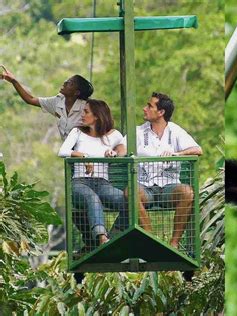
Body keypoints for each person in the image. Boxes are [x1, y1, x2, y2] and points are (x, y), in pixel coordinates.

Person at [123, 92, 202, 248]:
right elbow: (120, 148)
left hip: (168, 188)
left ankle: (174, 244)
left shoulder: (175, 131)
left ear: (161, 112)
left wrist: (177, 154)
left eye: (149, 106)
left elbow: (198, 150)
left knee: (187, 192)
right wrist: (113, 151)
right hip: (145, 188)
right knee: (130, 191)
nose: (144, 108)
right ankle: (151, 239)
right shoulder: (138, 132)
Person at [58, 99, 126, 247]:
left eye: (86, 112)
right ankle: (102, 238)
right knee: (92, 198)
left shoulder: (113, 135)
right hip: (80, 182)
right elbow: (62, 151)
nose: (82, 115)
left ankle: (113, 237)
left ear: (97, 116)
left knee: (129, 202)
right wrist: (83, 156)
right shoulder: (77, 132)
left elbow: (123, 148)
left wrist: (114, 153)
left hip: (103, 183)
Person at [1, 65, 93, 140]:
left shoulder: (87, 107)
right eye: (67, 80)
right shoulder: (58, 102)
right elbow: (30, 99)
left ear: (76, 92)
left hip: (85, 153)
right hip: (68, 154)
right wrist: (14, 81)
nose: (65, 82)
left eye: (70, 83)